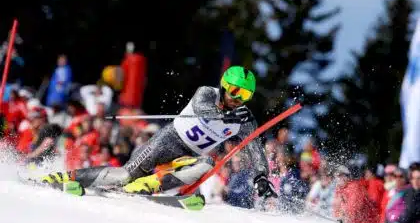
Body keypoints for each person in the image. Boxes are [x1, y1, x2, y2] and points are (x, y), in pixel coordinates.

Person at [42, 66, 276, 199]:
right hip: (168, 142)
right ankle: (65, 177)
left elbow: (254, 149)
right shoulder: (207, 93)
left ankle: (145, 187)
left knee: (207, 163)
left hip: (187, 159)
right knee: (123, 175)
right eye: (235, 91)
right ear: (224, 85)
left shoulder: (244, 120)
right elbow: (204, 110)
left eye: (244, 96)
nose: (237, 99)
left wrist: (261, 178)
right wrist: (227, 117)